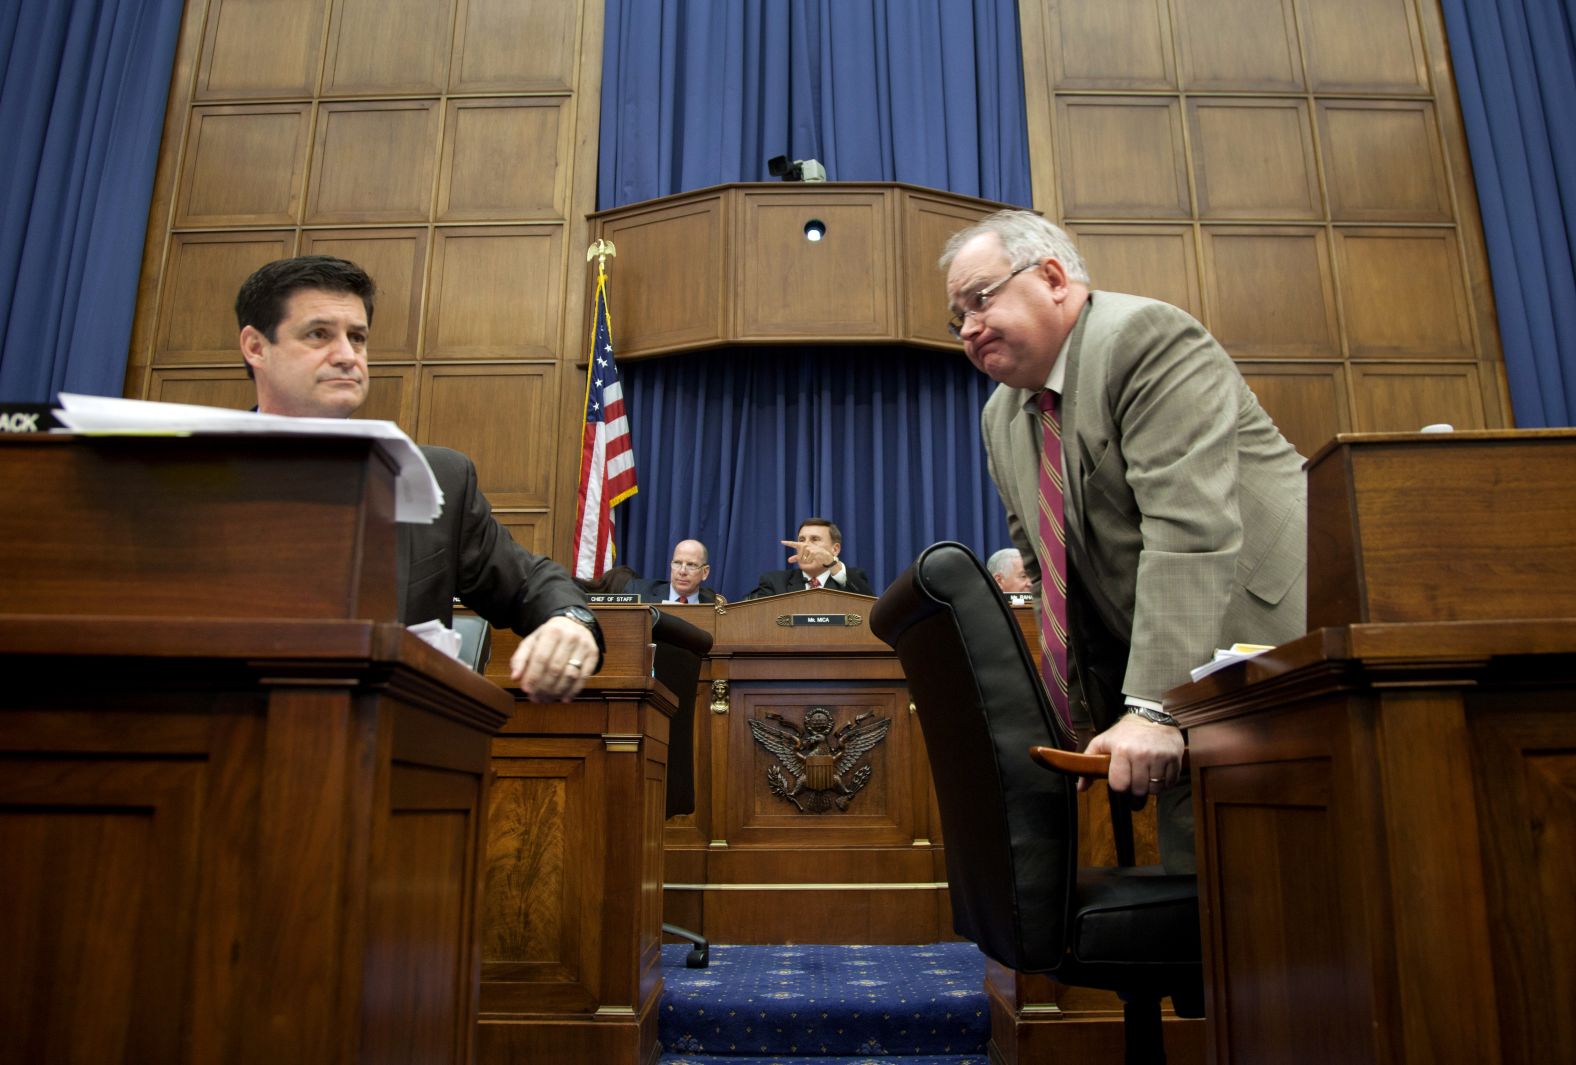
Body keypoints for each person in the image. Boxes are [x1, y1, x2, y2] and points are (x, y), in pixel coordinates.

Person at [941, 210, 1306, 871]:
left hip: (1264, 650)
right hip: (1175, 664)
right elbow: (1055, 579)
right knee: (1202, 873)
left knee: (1265, 883)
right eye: (957, 317)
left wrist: (1151, 707)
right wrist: (1081, 718)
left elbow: (1189, 529)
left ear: (1052, 277)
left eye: (980, 299)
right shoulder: (1003, 416)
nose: (967, 328)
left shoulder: (1145, 337)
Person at [236, 254, 603, 702]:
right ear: (256, 347)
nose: (348, 356)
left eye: (358, 338)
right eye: (319, 335)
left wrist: (569, 621)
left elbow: (528, 583)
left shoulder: (438, 479)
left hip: (387, 741)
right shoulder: (183, 472)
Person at [746, 517, 874, 598]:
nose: (805, 545)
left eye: (814, 539)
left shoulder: (854, 578)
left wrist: (832, 564)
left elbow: (870, 609)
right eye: (802, 540)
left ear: (835, 549)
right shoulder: (774, 582)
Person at [626, 539, 723, 603]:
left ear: (705, 572)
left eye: (691, 565)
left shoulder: (713, 608)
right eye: (677, 563)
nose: (682, 571)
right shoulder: (638, 593)